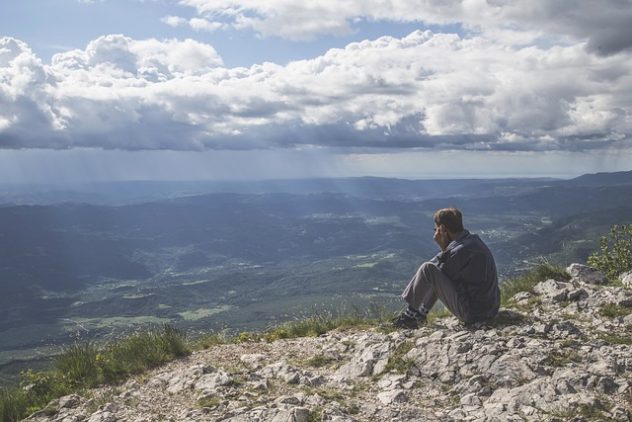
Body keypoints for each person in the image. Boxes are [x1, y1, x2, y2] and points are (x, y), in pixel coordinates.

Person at [393, 207, 500, 329]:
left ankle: (408, 318)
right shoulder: (471, 241)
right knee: (435, 271)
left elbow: (437, 271)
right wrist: (446, 250)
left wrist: (444, 248)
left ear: (442, 229)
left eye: (436, 229)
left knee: (427, 269)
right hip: (491, 309)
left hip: (473, 314)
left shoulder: (460, 250)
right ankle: (420, 315)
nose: (435, 233)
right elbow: (443, 274)